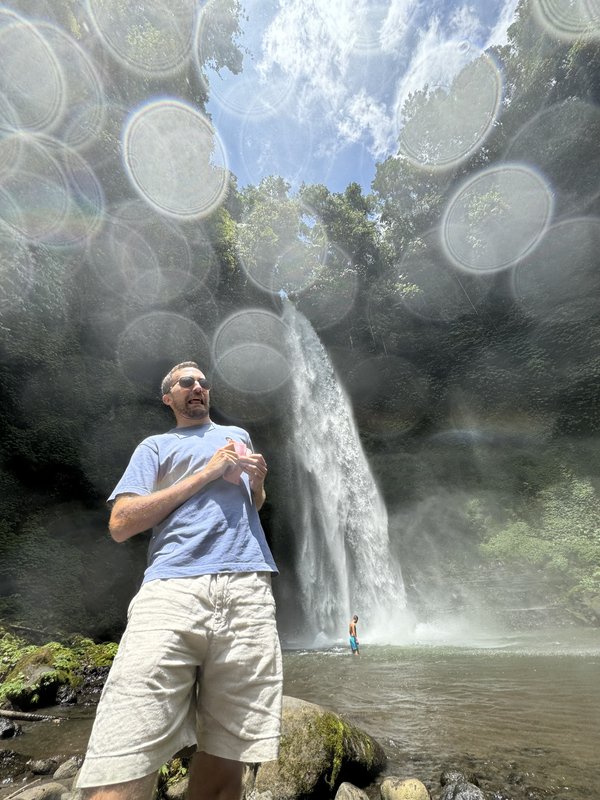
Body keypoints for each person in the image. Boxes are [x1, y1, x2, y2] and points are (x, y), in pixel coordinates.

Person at [76, 361, 282, 800]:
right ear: (167, 397)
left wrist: (259, 485)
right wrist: (206, 472)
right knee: (123, 755)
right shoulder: (154, 446)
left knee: (229, 757)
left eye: (204, 383)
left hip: (248, 589)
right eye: (186, 382)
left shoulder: (238, 436)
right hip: (172, 590)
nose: (198, 387)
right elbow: (121, 523)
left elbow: (249, 509)